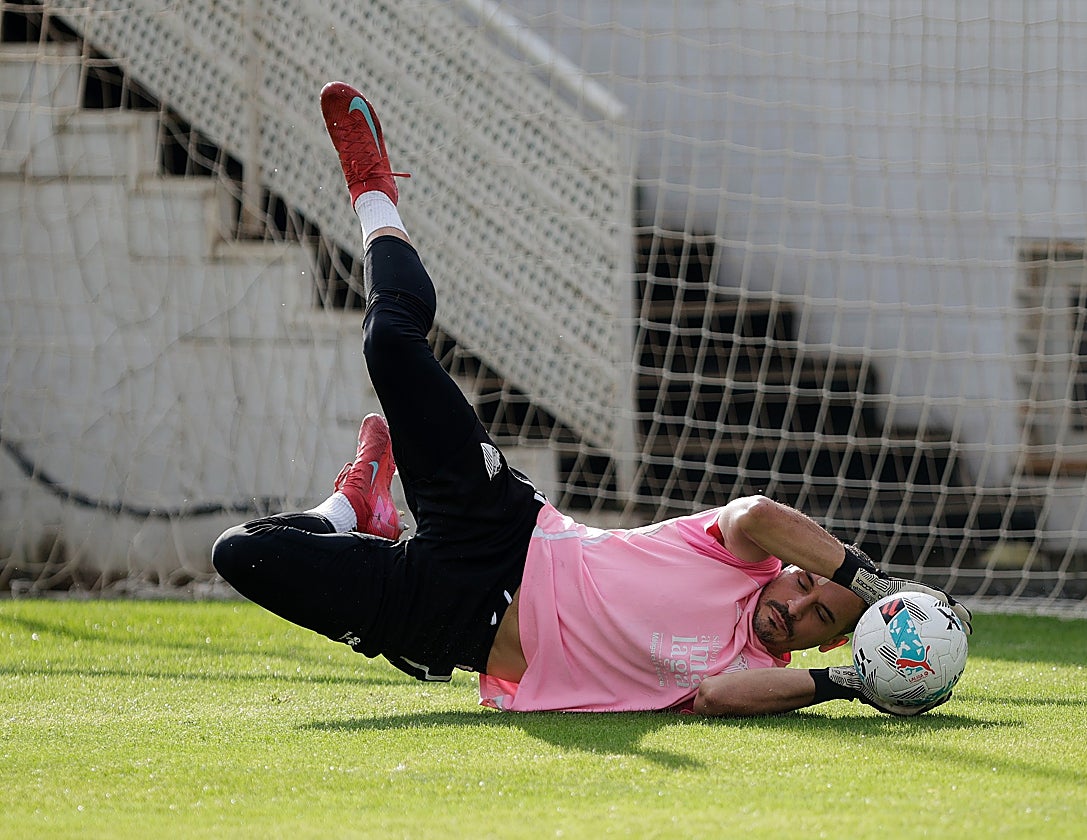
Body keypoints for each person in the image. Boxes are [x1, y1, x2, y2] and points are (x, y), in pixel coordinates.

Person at [211, 82, 972, 717]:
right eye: (807, 585)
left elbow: (712, 697)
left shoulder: (755, 666)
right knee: (388, 347)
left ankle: (351, 510)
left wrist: (854, 682)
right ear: (786, 567)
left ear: (827, 643)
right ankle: (375, 195)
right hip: (502, 529)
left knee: (243, 555)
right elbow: (759, 514)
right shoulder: (737, 554)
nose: (799, 608)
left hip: (448, 623)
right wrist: (869, 583)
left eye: (821, 620)